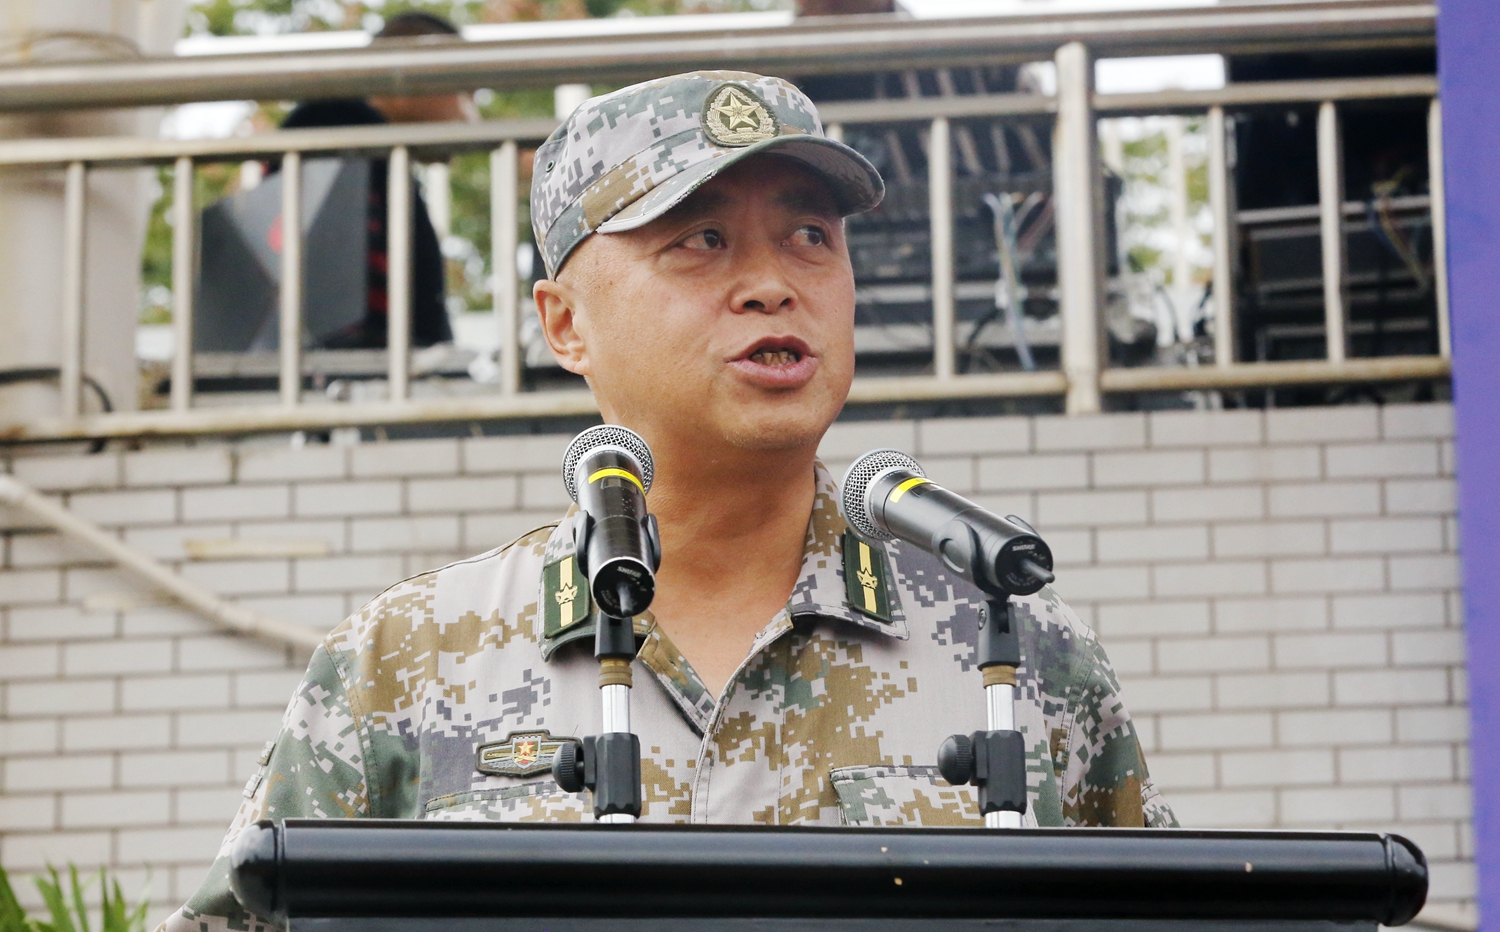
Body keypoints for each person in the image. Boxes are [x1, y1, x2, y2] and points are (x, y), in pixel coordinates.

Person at [162, 70, 1174, 932]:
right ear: (565, 324)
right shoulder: (408, 662)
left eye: (811, 234)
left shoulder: (1016, 651)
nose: (773, 284)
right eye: (700, 239)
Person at [273, 11, 472, 350]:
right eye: (465, 89)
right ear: (415, 74)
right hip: (348, 365)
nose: (469, 113)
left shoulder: (361, 146)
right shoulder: (337, 133)